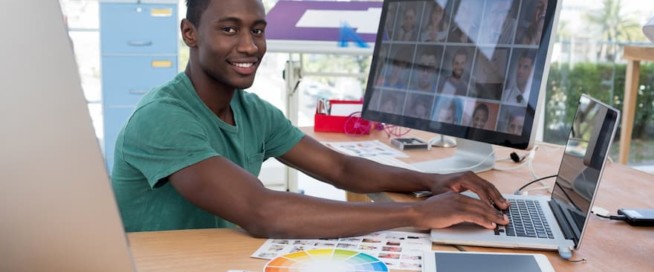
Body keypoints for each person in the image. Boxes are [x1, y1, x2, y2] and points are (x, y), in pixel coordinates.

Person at [111, 0, 509, 238]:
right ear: (190, 33)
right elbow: (261, 210)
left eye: (258, 30)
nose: (249, 46)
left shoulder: (252, 111)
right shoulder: (163, 117)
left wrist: (430, 181)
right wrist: (417, 213)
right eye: (229, 30)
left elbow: (340, 167)